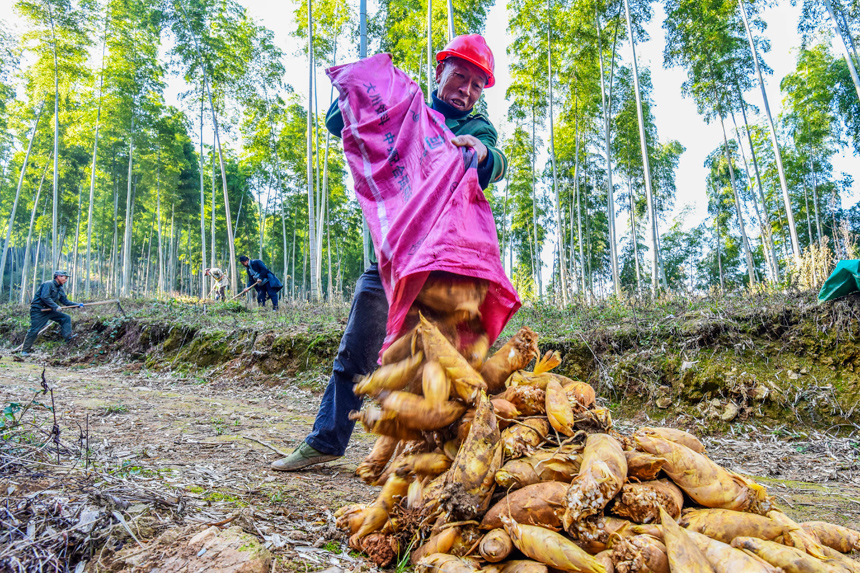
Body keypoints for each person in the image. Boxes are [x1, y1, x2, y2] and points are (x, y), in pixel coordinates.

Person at [271, 35, 506, 472]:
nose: (467, 90)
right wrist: (360, 88)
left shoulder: (475, 128)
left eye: (477, 85)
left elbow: (492, 159)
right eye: (461, 77)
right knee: (356, 350)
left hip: (445, 270)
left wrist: (481, 153)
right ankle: (326, 440)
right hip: (394, 256)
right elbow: (340, 120)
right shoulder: (404, 104)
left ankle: (439, 457)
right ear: (440, 71)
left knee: (447, 364)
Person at [20, 270, 83, 356]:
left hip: (50, 310)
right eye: (65, 277)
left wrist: (77, 305)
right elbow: (45, 297)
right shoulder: (48, 284)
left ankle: (68, 338)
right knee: (34, 330)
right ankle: (25, 351)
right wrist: (55, 306)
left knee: (65, 318)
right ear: (58, 276)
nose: (66, 280)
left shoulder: (60, 288)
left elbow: (65, 301)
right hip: (39, 311)